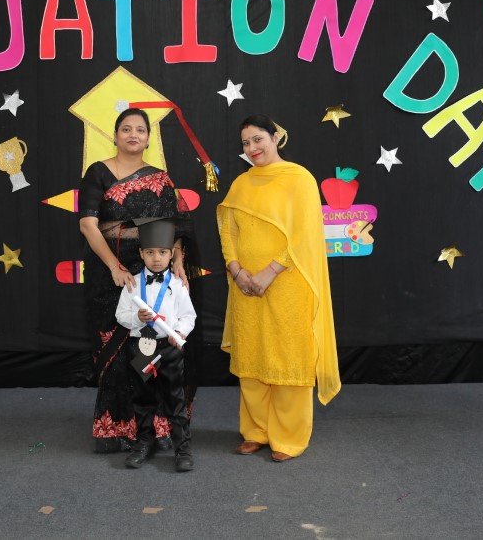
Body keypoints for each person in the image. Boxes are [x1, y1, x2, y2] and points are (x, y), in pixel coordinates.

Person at [217, 114, 340, 462]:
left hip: (288, 283)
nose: (252, 148)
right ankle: (255, 431)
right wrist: (237, 270)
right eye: (246, 143)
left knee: (288, 356)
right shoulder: (241, 184)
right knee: (252, 356)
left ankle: (288, 437)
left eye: (258, 139)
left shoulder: (299, 179)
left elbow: (304, 235)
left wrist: (269, 272)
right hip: (246, 286)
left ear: (276, 138)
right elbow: (228, 229)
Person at [79, 108, 199, 454]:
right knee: (119, 352)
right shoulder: (97, 172)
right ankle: (118, 427)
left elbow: (176, 225)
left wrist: (177, 261)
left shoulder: (160, 179)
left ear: (148, 139)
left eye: (140, 130)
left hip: (155, 269)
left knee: (157, 346)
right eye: (126, 129)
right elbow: (88, 225)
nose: (133, 135)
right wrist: (115, 267)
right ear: (115, 135)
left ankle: (159, 427)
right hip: (111, 273)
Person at [115, 217, 196, 471]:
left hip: (169, 349)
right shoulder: (132, 283)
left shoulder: (178, 285)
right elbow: (120, 315)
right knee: (143, 397)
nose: (156, 258)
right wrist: (136, 318)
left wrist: (179, 332)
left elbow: (189, 316)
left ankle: (182, 448)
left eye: (162, 252)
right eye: (150, 253)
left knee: (175, 398)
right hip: (142, 347)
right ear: (141, 253)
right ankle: (144, 443)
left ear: (171, 254)